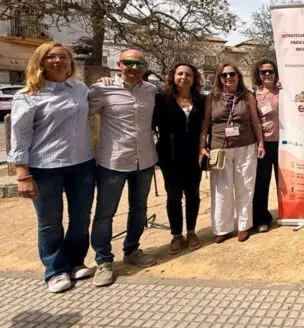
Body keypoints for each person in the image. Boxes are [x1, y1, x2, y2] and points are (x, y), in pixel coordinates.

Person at [8, 42, 95, 293]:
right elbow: (20, 136)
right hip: (45, 167)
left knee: (81, 219)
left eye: (63, 57)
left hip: (82, 164)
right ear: (40, 61)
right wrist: (22, 174)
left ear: (70, 62)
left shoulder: (80, 89)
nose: (58, 61)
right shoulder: (28, 95)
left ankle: (76, 261)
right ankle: (55, 271)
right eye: (51, 57)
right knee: (49, 222)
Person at [89, 49, 158, 287]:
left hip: (144, 160)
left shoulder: (150, 90)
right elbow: (81, 115)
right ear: (119, 64)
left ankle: (132, 249)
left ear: (145, 66)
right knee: (105, 213)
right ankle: (103, 261)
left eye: (139, 64)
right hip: (113, 161)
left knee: (139, 209)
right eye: (128, 62)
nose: (133, 67)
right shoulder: (101, 90)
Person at [199, 64, 265, 244]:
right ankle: (222, 228)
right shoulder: (212, 97)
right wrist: (202, 146)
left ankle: (244, 225)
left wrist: (260, 143)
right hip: (220, 148)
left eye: (232, 74)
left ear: (238, 76)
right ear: (219, 78)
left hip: (246, 146)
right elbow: (205, 123)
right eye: (224, 75)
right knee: (221, 189)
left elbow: (255, 121)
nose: (228, 77)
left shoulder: (247, 96)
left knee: (245, 186)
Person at [153, 63, 206, 254]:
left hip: (194, 155)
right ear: (173, 76)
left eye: (188, 74)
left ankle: (191, 231)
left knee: (193, 195)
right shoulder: (161, 99)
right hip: (170, 155)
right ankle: (176, 234)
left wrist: (203, 147)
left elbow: (204, 126)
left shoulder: (200, 100)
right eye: (180, 74)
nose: (184, 77)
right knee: (174, 196)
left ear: (194, 78)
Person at [252, 59, 280, 233]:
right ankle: (262, 218)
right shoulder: (254, 95)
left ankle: (288, 213)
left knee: (285, 182)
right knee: (261, 182)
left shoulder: (282, 91)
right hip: (264, 144)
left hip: (285, 143)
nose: (267, 74)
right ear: (259, 75)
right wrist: (260, 143)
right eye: (263, 72)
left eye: (271, 71)